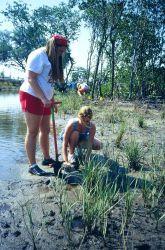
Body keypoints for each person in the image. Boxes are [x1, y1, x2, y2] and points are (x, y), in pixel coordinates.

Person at [19, 34, 68, 176]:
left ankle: (46, 159)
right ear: (54, 46)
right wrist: (43, 98)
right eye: (61, 50)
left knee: (45, 130)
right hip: (31, 95)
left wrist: (51, 99)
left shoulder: (54, 58)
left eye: (64, 50)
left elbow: (48, 82)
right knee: (33, 131)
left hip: (45, 98)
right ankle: (32, 165)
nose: (62, 53)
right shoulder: (38, 55)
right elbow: (31, 79)